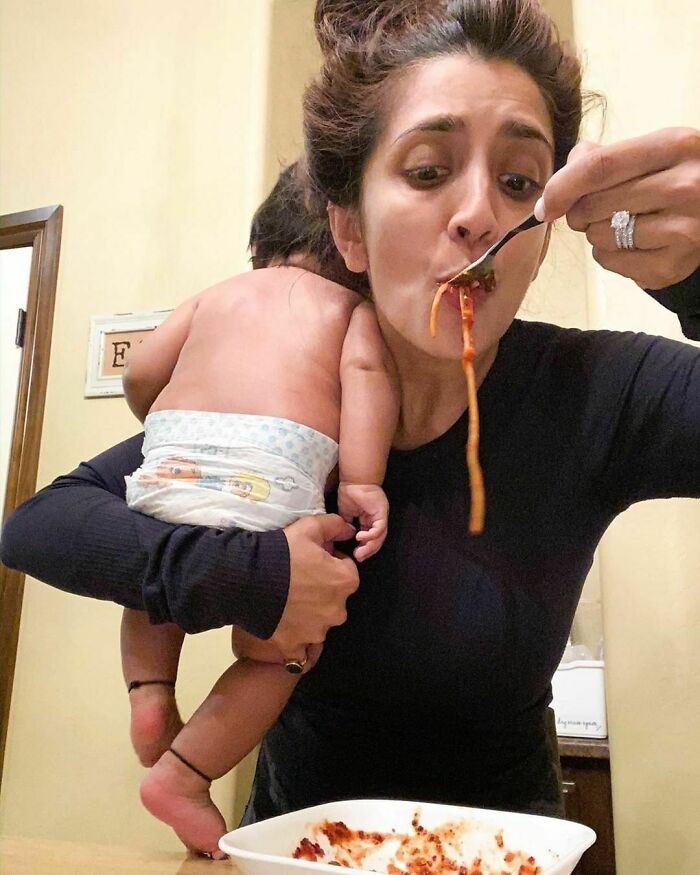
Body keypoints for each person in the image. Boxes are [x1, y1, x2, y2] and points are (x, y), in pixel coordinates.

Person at [1, 0, 699, 855]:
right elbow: (41, 526)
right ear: (349, 229)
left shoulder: (595, 390)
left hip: (503, 853)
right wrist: (258, 574)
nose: (479, 214)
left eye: (519, 181)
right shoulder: (284, 400)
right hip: (297, 851)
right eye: (428, 170)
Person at [117, 161, 398, 857]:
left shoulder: (216, 296)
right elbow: (366, 378)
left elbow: (142, 372)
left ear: (259, 244)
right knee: (278, 654)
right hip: (273, 473)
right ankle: (184, 775)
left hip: (173, 456)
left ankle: (150, 693)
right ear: (358, 249)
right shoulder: (351, 311)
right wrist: (362, 481)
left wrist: (166, 430)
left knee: (153, 583)